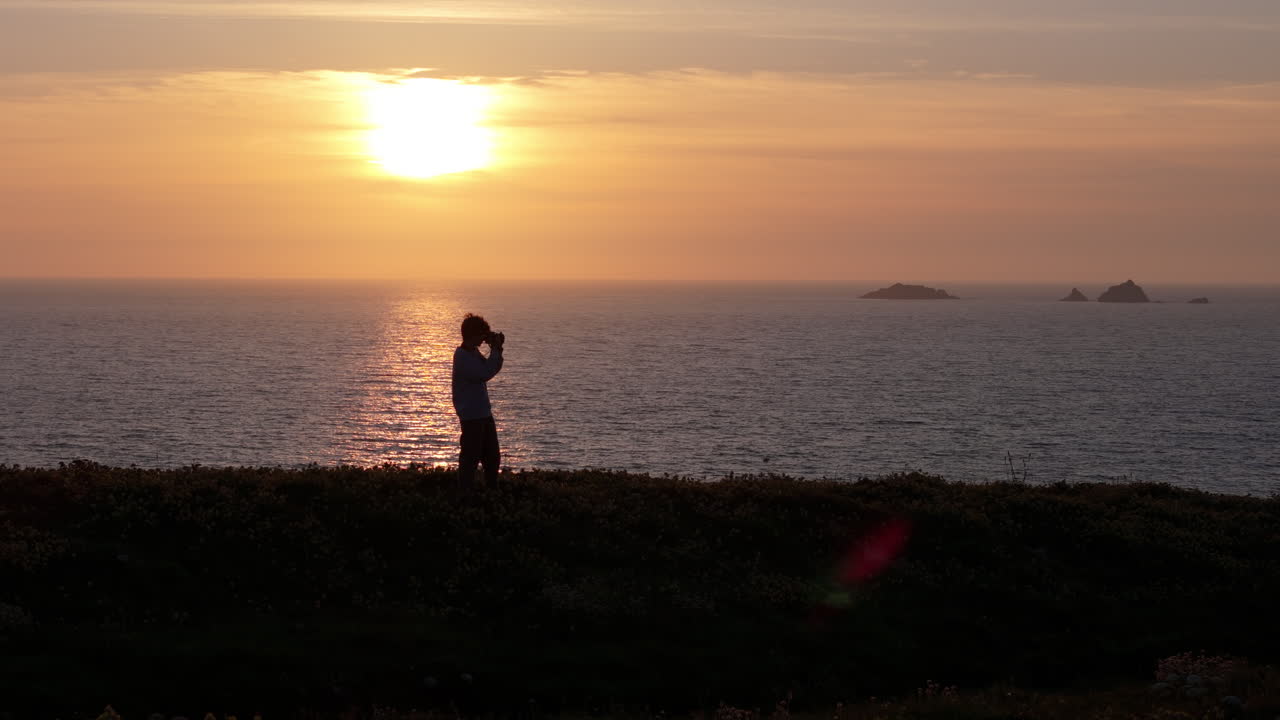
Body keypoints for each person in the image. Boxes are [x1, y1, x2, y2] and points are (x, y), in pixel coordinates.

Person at [452, 313, 505, 487]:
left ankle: (490, 489)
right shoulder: (462, 356)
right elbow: (485, 373)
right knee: (470, 458)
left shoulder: (472, 352)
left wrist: (496, 349)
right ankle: (465, 494)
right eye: (481, 335)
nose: (483, 340)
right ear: (473, 335)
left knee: (492, 456)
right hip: (472, 416)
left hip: (483, 413)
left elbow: (490, 368)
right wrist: (495, 349)